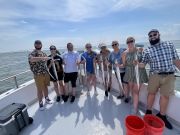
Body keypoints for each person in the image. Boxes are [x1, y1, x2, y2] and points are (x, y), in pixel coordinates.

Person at [140, 29, 180, 129]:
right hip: (154, 76)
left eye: (154, 34)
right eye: (150, 35)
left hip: (169, 75)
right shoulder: (147, 50)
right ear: (148, 38)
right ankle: (148, 112)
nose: (152, 36)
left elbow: (176, 61)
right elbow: (143, 65)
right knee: (151, 94)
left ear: (159, 35)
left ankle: (162, 116)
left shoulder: (169, 45)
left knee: (165, 96)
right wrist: (136, 62)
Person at [122, 37, 148, 114]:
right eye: (128, 42)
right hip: (129, 72)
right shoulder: (124, 53)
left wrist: (138, 63)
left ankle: (135, 108)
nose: (130, 43)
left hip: (139, 72)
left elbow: (144, 63)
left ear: (134, 41)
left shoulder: (140, 50)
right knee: (131, 88)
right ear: (126, 43)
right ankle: (134, 101)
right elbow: (124, 64)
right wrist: (118, 65)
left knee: (135, 91)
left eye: (131, 41)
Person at [28, 40, 52, 111]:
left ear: (41, 45)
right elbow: (31, 60)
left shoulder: (43, 53)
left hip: (45, 73)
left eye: (39, 44)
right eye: (37, 44)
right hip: (38, 75)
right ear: (35, 45)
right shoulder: (32, 53)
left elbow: (46, 63)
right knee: (39, 90)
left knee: (45, 87)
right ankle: (40, 103)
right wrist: (43, 58)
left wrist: (50, 61)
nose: (38, 45)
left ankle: (47, 99)